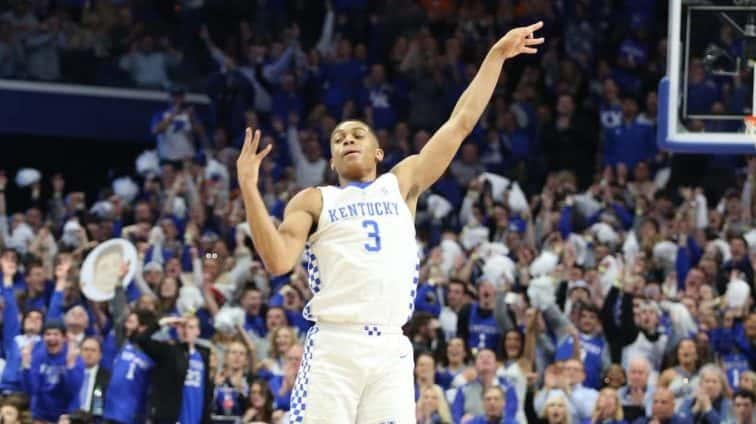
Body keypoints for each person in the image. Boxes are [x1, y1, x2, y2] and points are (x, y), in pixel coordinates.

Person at [235, 21, 545, 423]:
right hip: (335, 346)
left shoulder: (401, 183)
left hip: (391, 348)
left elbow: (460, 124)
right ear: (331, 161)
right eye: (339, 138)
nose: (347, 139)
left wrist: (496, 56)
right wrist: (248, 185)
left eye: (357, 134)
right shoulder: (314, 199)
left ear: (379, 152)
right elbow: (277, 261)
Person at [135, 314, 212, 424]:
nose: (186, 331)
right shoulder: (168, 351)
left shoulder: (203, 356)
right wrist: (163, 322)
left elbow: (205, 390)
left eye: (190, 327)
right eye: (182, 326)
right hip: (171, 418)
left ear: (198, 331)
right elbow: (142, 339)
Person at [21, 319, 85, 423]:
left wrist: (70, 366)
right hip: (41, 414)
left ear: (64, 338)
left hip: (66, 414)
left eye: (56, 334)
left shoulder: (74, 357)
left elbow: (73, 390)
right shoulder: (38, 356)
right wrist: (26, 365)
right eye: (47, 334)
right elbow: (31, 389)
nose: (51, 338)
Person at [103, 309, 156, 424]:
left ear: (143, 327)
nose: (126, 326)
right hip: (110, 412)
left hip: (132, 416)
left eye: (131, 322)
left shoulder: (154, 353)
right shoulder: (124, 346)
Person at [76, 337, 110, 417]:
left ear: (100, 355)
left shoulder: (107, 378)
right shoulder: (71, 373)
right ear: (80, 352)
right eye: (86, 349)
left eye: (93, 350)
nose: (89, 353)